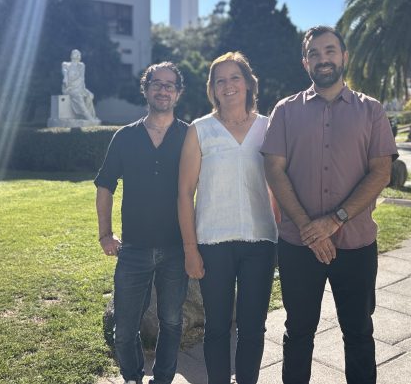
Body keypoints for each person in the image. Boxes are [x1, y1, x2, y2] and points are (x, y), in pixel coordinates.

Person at [262, 26, 398, 384]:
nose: (323, 59)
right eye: (315, 53)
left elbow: (381, 172)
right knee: (298, 331)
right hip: (297, 245)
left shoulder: (371, 111)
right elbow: (274, 170)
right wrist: (311, 228)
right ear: (305, 61)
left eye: (330, 51)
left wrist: (333, 221)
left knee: (358, 332)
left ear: (344, 56)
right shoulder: (285, 111)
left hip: (356, 244)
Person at [178, 52, 278, 384]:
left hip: (261, 241)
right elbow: (184, 193)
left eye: (235, 77)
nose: (228, 85)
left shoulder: (268, 128)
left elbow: (281, 186)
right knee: (218, 327)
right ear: (212, 89)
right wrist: (190, 250)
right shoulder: (200, 130)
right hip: (213, 243)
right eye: (219, 80)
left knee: (253, 327)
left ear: (249, 83)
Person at [94, 62, 189, 384]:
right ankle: (133, 377)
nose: (163, 90)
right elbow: (105, 185)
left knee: (173, 322)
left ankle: (163, 378)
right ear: (146, 89)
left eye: (170, 85)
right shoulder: (125, 137)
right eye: (157, 84)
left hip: (177, 247)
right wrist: (105, 234)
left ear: (178, 92)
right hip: (133, 247)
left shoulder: (190, 136)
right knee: (124, 328)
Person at [62, 49, 99, 121]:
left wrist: (84, 90)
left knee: (90, 95)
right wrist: (66, 77)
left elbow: (82, 79)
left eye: (79, 54)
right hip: (69, 88)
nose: (78, 55)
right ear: (71, 55)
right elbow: (64, 71)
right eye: (75, 53)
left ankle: (85, 116)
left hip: (80, 88)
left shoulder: (81, 65)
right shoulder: (65, 64)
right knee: (78, 97)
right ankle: (89, 117)